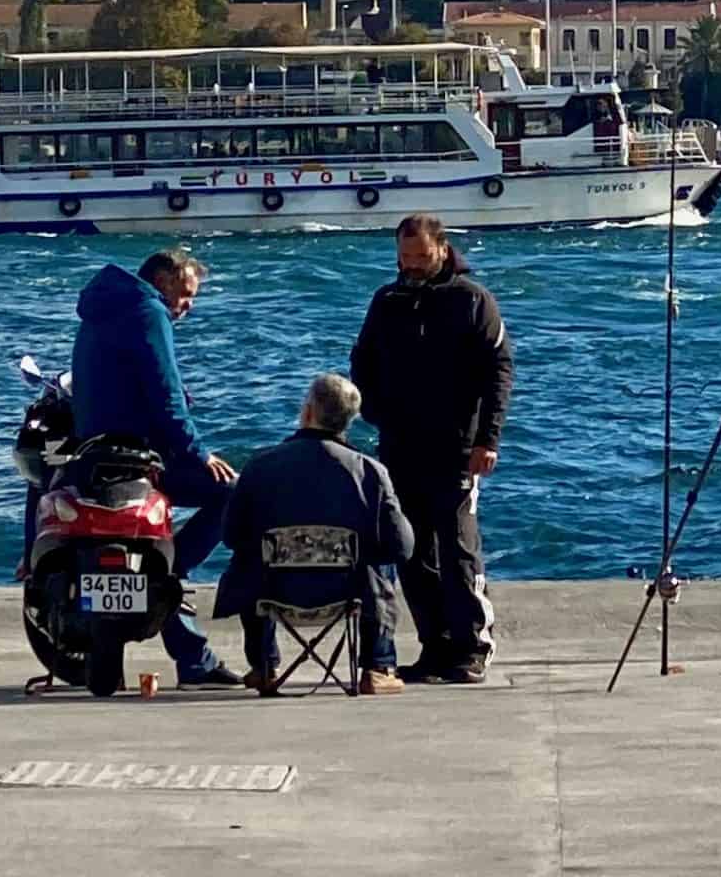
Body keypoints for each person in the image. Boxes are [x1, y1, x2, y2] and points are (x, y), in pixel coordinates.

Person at [349, 213, 514, 684]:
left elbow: (499, 372)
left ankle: (472, 645)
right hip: (401, 444)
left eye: (421, 256)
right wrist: (376, 411)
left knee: (458, 547)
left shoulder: (472, 299)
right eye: (405, 257)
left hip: (456, 446)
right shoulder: (388, 300)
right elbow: (362, 360)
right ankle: (435, 645)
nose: (413, 265)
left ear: (442, 249)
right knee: (411, 549)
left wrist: (487, 439)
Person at [69, 246, 242, 687]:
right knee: (231, 493)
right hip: (140, 458)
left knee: (161, 546)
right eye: (186, 294)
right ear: (163, 280)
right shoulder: (149, 312)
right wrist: (199, 453)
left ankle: (192, 655)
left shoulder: (99, 310)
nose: (188, 306)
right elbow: (166, 398)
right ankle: (168, 576)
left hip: (96, 455)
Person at [214, 373, 414, 696]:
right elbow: (403, 547)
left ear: (307, 412)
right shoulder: (370, 472)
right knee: (381, 559)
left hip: (275, 590)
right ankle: (377, 667)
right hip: (346, 590)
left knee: (249, 555)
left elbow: (231, 535)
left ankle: (264, 665)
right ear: (348, 421)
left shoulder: (259, 467)